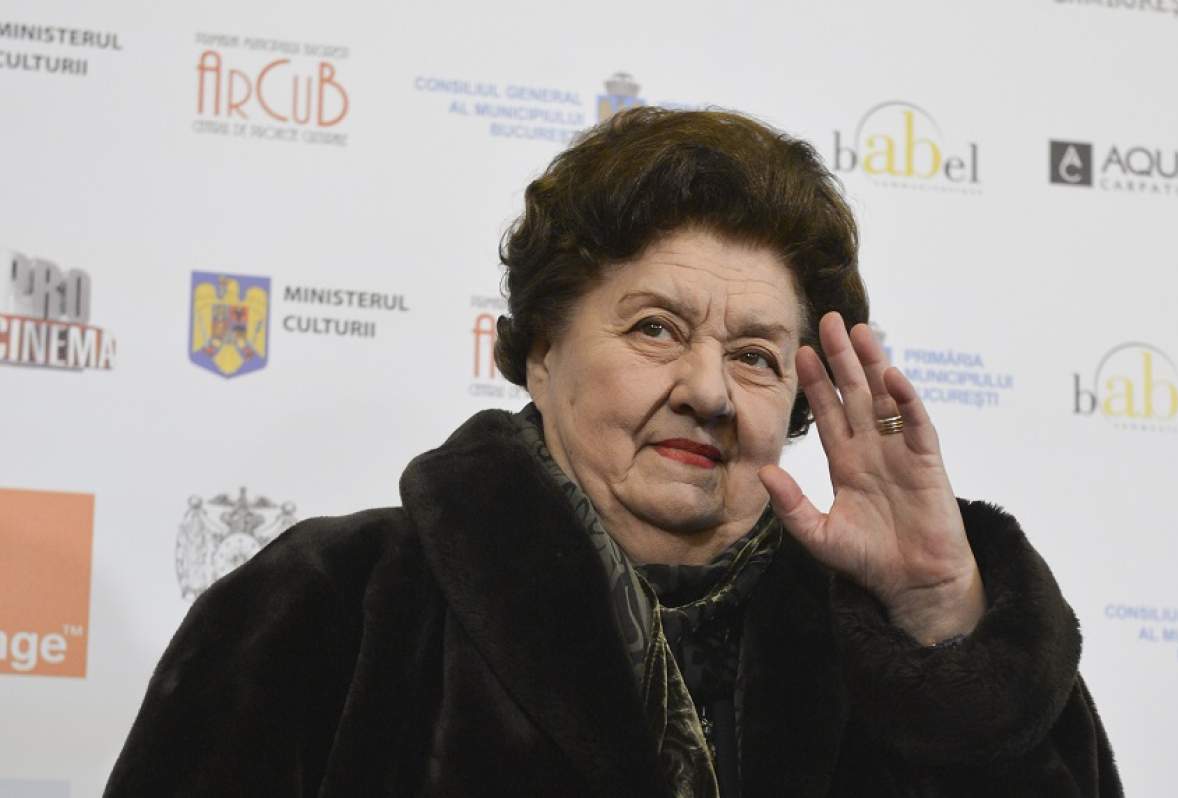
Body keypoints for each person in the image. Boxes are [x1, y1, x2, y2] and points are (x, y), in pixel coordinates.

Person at [104, 107, 1122, 797]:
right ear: (541, 349)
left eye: (756, 356)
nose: (709, 391)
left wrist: (941, 617)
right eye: (655, 330)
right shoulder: (332, 603)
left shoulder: (889, 642)